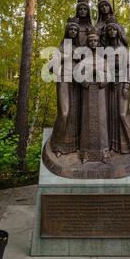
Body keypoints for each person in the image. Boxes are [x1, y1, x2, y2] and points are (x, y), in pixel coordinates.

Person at [105, 16, 130, 156]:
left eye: (114, 29)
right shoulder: (106, 50)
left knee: (122, 113)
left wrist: (126, 84)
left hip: (122, 84)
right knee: (111, 114)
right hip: (109, 86)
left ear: (118, 31)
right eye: (110, 29)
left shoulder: (124, 49)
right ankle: (116, 145)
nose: (112, 31)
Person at [79, 27, 110, 164]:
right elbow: (78, 75)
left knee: (101, 120)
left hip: (100, 92)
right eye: (90, 40)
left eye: (95, 40)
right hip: (87, 93)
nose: (93, 42)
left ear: (98, 42)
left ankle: (103, 153)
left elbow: (108, 75)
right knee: (87, 120)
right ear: (88, 42)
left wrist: (100, 79)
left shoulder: (102, 60)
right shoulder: (84, 60)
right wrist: (86, 82)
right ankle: (86, 154)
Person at [51, 17, 80, 157]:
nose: (73, 31)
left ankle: (73, 146)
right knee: (64, 112)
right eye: (71, 29)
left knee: (75, 114)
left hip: (77, 83)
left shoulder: (79, 48)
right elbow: (50, 67)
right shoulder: (61, 48)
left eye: (75, 30)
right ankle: (57, 145)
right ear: (67, 31)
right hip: (63, 80)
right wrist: (67, 56)